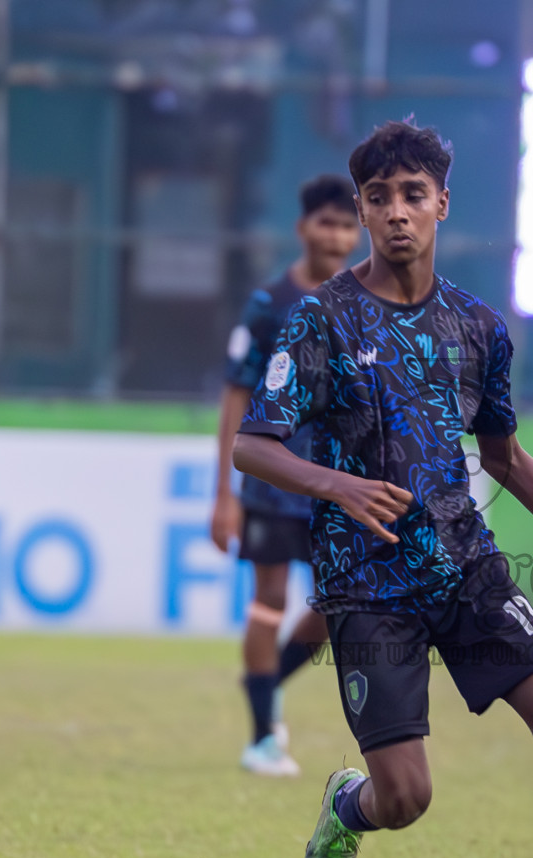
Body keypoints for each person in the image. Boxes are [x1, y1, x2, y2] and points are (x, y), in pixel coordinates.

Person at [233, 119, 533, 858]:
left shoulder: (477, 329)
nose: (396, 211)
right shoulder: (320, 320)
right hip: (366, 585)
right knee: (405, 798)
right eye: (379, 198)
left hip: (465, 568)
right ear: (363, 213)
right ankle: (347, 810)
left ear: (442, 203)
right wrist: (339, 486)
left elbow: (505, 459)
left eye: (412, 195)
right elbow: (253, 446)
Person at [212, 175, 360, 777]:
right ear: (302, 229)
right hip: (272, 476)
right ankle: (261, 737)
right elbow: (235, 396)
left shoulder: (363, 301)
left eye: (347, 224)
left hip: (337, 480)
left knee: (334, 607)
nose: (337, 234)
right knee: (268, 602)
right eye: (326, 222)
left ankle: (265, 685)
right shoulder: (269, 304)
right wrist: (223, 492)